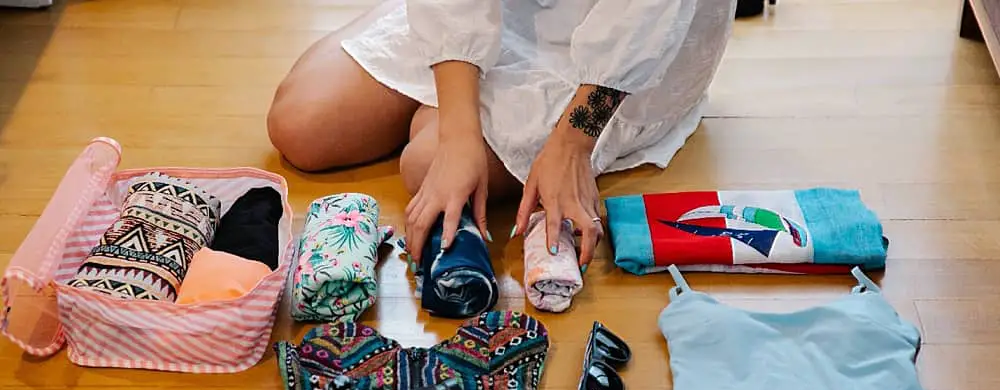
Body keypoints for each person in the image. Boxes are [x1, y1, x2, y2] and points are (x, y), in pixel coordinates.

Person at [267, 0, 737, 274]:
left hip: (635, 39)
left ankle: (445, 99)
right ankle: (406, 22)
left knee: (423, 161)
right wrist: (459, 134)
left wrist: (572, 144)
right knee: (301, 127)